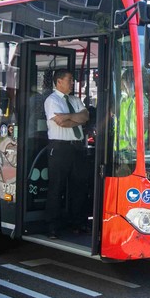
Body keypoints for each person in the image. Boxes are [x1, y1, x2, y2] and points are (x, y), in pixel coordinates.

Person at [44, 69, 89, 238]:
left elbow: (85, 117)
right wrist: (74, 119)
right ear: (59, 82)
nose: (73, 83)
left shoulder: (75, 99)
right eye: (69, 80)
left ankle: (77, 222)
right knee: (57, 186)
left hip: (77, 147)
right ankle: (52, 226)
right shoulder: (52, 100)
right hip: (60, 147)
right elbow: (60, 122)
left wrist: (70, 117)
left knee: (79, 186)